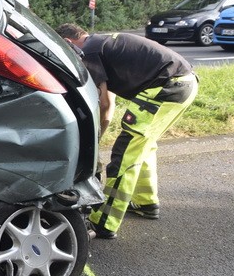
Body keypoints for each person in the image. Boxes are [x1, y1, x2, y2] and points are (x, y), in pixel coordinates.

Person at [55, 23, 198, 239]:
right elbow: (108, 104)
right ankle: (146, 202)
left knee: (124, 154)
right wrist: (98, 138)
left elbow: (102, 105)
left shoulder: (89, 51)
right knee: (142, 145)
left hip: (167, 87)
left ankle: (104, 222)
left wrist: (93, 143)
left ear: (67, 42)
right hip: (183, 84)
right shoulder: (101, 44)